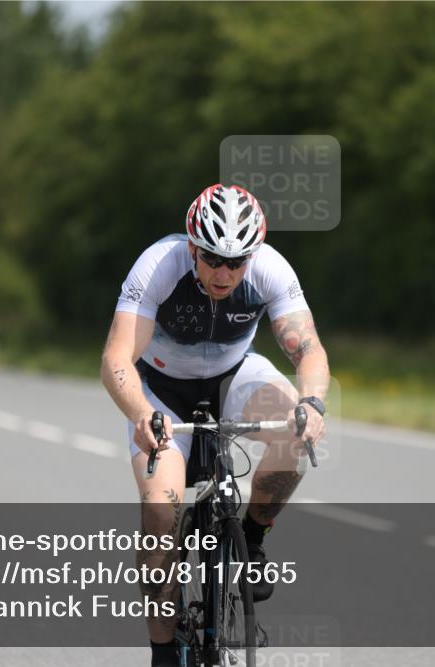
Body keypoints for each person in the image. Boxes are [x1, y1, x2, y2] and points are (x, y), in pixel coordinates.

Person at [101, 184, 330, 667]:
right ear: (192, 248)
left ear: (253, 256)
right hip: (162, 389)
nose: (224, 272)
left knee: (294, 434)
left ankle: (252, 538)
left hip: (234, 375)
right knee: (160, 515)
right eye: (211, 259)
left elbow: (307, 348)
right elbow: (117, 359)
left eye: (237, 261)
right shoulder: (159, 265)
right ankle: (163, 650)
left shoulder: (270, 268)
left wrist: (313, 402)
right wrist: (143, 414)